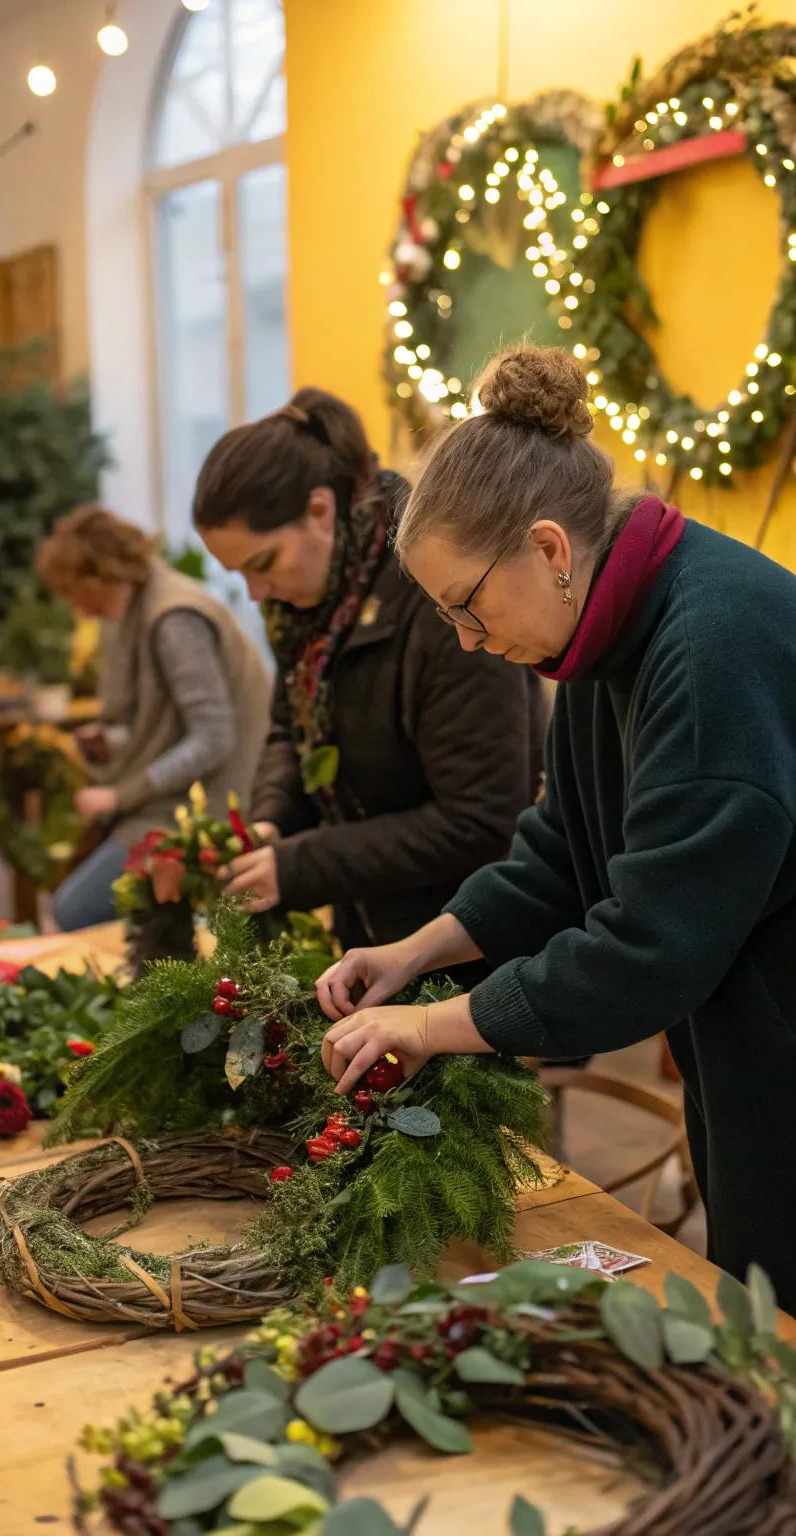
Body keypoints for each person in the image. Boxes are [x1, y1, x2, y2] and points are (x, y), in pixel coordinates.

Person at [316, 341, 796, 1308]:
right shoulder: (602, 631)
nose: (465, 640)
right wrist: (416, 951)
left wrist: (432, 1029)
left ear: (548, 549)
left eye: (466, 605)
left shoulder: (709, 649)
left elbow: (647, 950)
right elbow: (561, 853)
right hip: (751, 1048)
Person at [192, 386, 546, 948]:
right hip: (377, 935)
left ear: (320, 510)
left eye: (263, 563)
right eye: (239, 575)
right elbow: (290, 730)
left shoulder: (435, 594)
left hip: (470, 946)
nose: (256, 593)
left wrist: (300, 866)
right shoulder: (309, 604)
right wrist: (270, 823)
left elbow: (479, 820)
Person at [36, 505, 270, 930]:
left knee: (75, 910)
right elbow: (162, 721)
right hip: (178, 803)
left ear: (99, 575)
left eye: (75, 593)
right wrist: (113, 739)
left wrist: (119, 797)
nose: (79, 608)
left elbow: (214, 738)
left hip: (211, 811)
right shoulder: (140, 603)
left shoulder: (173, 620)